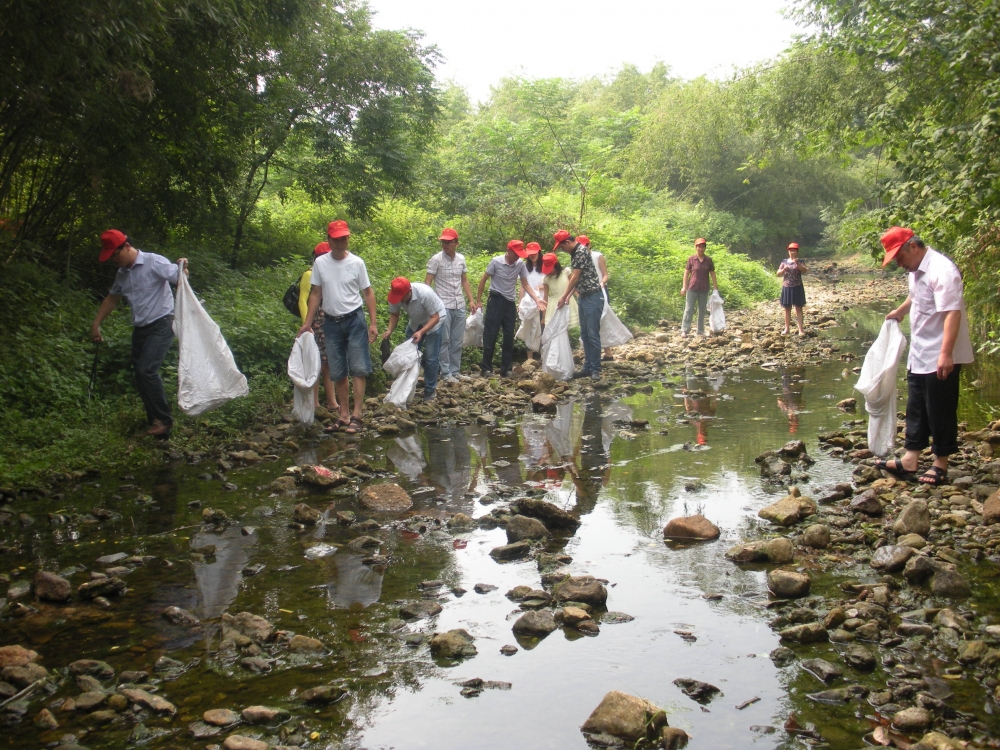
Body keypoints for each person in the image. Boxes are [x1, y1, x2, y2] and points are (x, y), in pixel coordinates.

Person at [876, 226, 974, 486]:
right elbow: (914, 297)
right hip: (921, 349)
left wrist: (945, 353)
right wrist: (900, 311)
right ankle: (910, 458)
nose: (899, 263)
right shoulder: (915, 270)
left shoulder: (942, 270)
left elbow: (952, 312)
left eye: (899, 257)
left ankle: (940, 463)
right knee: (916, 405)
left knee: (940, 406)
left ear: (914, 247)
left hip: (942, 351)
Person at [90, 229, 188, 438]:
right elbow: (112, 298)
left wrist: (183, 267)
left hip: (162, 323)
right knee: (140, 374)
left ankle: (164, 420)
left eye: (115, 255)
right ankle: (156, 424)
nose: (114, 260)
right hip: (141, 328)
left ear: (126, 246)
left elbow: (180, 279)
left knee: (146, 370)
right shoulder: (122, 274)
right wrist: (96, 323)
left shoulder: (154, 262)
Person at [298, 220, 378, 435]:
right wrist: (306, 323)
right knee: (337, 370)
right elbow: (315, 293)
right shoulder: (321, 263)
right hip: (331, 322)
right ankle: (343, 415)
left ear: (348, 238)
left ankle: (357, 415)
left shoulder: (357, 263)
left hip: (354, 319)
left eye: (344, 238)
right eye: (337, 238)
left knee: (359, 367)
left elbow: (368, 293)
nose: (341, 242)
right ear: (329, 239)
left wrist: (373, 323)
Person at [476, 240, 547, 378]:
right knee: (491, 334)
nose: (518, 257)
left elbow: (525, 284)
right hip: (496, 300)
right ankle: (486, 368)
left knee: (509, 336)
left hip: (509, 302)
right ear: (508, 252)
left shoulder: (519, 264)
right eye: (516, 254)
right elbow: (483, 280)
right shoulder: (496, 262)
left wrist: (537, 299)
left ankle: (506, 369)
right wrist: (479, 300)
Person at [383, 277, 447, 402]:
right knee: (409, 356)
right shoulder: (395, 295)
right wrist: (389, 330)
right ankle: (408, 385)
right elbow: (395, 314)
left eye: (402, 297)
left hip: (435, 321)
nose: (399, 300)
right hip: (416, 322)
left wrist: (422, 332)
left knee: (431, 357)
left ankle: (430, 390)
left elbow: (435, 317)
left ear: (409, 291)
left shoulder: (425, 293)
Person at [425, 228, 476, 383]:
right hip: (443, 305)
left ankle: (455, 371)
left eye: (449, 242)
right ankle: (446, 373)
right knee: (444, 340)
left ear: (456, 243)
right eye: (443, 242)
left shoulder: (461, 259)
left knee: (457, 340)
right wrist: (431, 303)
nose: (445, 245)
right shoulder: (436, 259)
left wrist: (471, 300)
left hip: (459, 303)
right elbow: (427, 282)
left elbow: (464, 280)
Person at [553, 229, 604, 380]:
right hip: (584, 296)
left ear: (567, 242)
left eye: (562, 247)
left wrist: (563, 296)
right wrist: (568, 296)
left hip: (593, 297)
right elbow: (577, 280)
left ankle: (595, 368)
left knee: (593, 334)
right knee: (585, 334)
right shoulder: (575, 253)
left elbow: (574, 278)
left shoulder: (580, 252)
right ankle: (588, 367)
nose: (562, 250)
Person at [298, 242, 339, 413]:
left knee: (328, 363)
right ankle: (315, 403)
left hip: (329, 322)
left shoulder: (329, 273)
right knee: (316, 362)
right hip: (316, 324)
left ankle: (332, 402)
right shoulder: (309, 274)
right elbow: (303, 300)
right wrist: (307, 325)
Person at [578, 234, 614, 361]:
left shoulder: (597, 256)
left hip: (600, 291)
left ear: (589, 245)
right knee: (591, 325)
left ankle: (607, 352)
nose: (583, 249)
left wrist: (602, 283)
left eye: (585, 246)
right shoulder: (578, 258)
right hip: (586, 293)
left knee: (602, 320)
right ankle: (595, 355)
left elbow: (605, 274)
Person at [681, 237, 718, 337]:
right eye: (699, 247)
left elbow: (712, 274)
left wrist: (715, 288)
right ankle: (685, 330)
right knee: (689, 309)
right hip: (692, 288)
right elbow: (686, 273)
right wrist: (684, 287)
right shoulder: (691, 259)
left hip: (704, 289)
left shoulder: (708, 260)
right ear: (696, 247)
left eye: (703, 247)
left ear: (705, 248)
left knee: (702, 310)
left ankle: (700, 331)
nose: (701, 249)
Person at [520, 241, 546, 361]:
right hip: (528, 302)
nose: (532, 255)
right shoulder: (524, 268)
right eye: (530, 253)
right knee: (529, 327)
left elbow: (549, 283)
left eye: (534, 253)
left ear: (539, 253)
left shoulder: (545, 266)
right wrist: (519, 302)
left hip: (543, 301)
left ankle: (542, 355)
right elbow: (522, 286)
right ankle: (529, 358)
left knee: (542, 326)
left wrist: (541, 288)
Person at [777, 242, 808, 336]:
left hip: (797, 286)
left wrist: (797, 263)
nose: (792, 252)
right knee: (787, 309)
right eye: (791, 250)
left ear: (797, 251)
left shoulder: (800, 261)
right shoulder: (784, 261)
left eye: (794, 250)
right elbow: (778, 274)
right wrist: (783, 270)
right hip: (787, 287)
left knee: (798, 308)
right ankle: (786, 329)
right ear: (788, 251)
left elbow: (805, 271)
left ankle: (801, 329)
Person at [541, 253, 578, 327]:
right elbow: (545, 299)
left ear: (556, 264)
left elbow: (574, 285)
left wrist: (578, 296)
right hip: (554, 305)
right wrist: (543, 316)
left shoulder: (566, 271)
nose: (549, 271)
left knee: (565, 326)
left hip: (567, 301)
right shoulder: (546, 279)